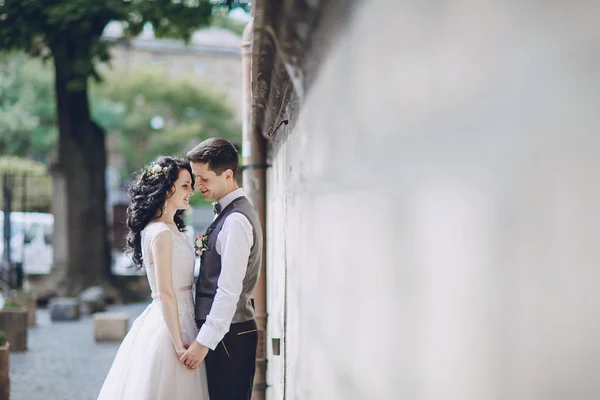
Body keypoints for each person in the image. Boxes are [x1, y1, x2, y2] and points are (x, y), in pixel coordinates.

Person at [98, 156, 209, 400]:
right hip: (171, 326)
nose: (191, 191)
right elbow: (165, 292)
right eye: (185, 185)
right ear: (168, 189)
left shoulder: (174, 231)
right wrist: (179, 344)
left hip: (185, 319)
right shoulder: (160, 233)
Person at [180, 138, 263, 400]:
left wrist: (203, 343)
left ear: (227, 175)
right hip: (226, 334)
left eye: (203, 178)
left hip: (230, 336)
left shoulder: (236, 220)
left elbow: (228, 291)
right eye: (195, 178)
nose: (197, 186)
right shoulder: (226, 213)